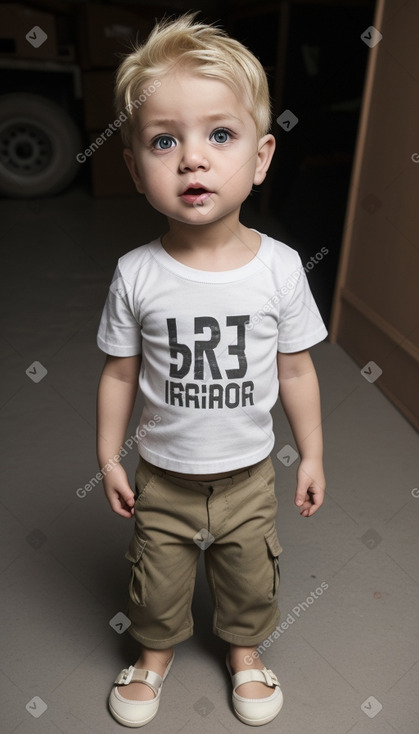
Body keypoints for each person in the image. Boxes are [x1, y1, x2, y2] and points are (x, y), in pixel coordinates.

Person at [96, 11, 327, 728]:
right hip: (163, 475)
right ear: (135, 167)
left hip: (248, 475)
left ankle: (245, 651)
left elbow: (295, 371)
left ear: (259, 158)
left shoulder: (280, 268)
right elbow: (118, 373)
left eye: (218, 135)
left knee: (248, 572)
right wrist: (108, 454)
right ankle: (154, 653)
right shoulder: (136, 274)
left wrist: (311, 453)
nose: (192, 159)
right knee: (156, 579)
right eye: (165, 141)